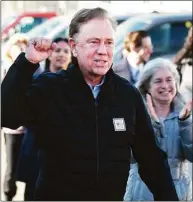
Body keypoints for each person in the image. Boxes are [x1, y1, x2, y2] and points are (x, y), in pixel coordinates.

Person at [2, 7, 179, 201]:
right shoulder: (50, 88)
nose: (102, 51)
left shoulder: (127, 94)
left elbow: (151, 158)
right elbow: (7, 116)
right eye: (94, 42)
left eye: (109, 43)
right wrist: (26, 64)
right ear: (74, 47)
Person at [124, 58, 192, 201]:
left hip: (178, 193)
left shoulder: (186, 114)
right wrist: (153, 125)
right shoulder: (135, 114)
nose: (165, 85)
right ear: (147, 86)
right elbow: (130, 157)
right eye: (158, 81)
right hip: (142, 193)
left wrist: (185, 123)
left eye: (169, 80)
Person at [16, 37, 72, 201]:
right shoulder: (37, 79)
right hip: (36, 148)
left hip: (63, 153)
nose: (61, 54)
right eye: (57, 50)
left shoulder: (75, 84)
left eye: (66, 51)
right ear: (49, 54)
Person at [1, 33, 28, 201]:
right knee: (11, 165)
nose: (21, 48)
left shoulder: (34, 68)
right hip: (12, 128)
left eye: (24, 45)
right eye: (17, 45)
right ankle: (8, 195)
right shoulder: (6, 68)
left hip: (29, 127)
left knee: (27, 164)